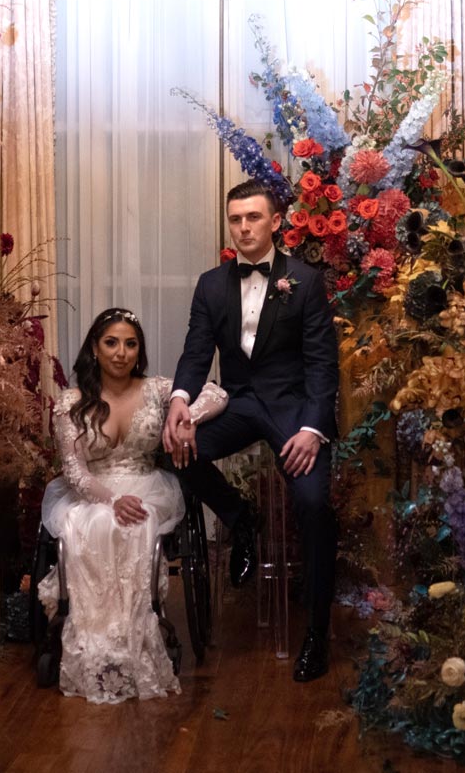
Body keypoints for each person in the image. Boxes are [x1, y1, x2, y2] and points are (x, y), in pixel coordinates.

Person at [162, 180, 340, 683]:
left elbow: (324, 367)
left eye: (253, 218)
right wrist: (179, 402)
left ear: (275, 221)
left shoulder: (305, 280)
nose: (243, 227)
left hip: (293, 410)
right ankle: (242, 518)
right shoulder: (210, 285)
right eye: (235, 219)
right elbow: (197, 353)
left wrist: (312, 429)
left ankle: (317, 633)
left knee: (311, 505)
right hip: (238, 403)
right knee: (174, 448)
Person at [38, 308, 227, 704]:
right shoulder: (72, 401)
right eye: (111, 343)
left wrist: (183, 417)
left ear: (138, 350)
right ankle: (93, 641)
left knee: (136, 524)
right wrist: (110, 499)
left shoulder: (157, 389)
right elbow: (73, 471)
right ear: (95, 347)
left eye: (130, 343)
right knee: (90, 525)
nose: (121, 353)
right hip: (92, 490)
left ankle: (134, 637)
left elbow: (218, 393)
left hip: (146, 483)